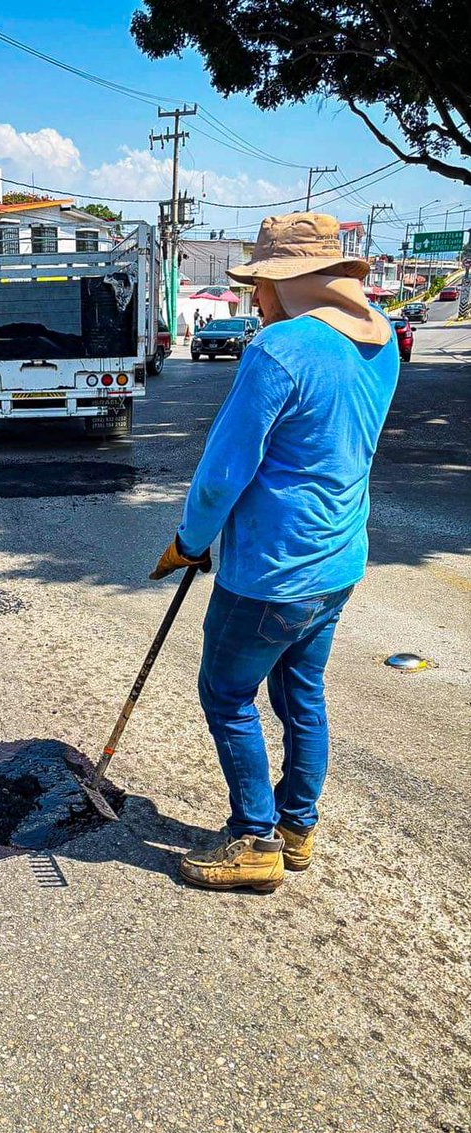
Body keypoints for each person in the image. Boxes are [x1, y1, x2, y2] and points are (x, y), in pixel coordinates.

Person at [150, 212, 398, 892]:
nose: (254, 296)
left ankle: (254, 838)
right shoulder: (381, 339)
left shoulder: (281, 348)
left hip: (273, 570)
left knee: (226, 693)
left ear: (291, 284)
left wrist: (188, 544)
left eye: (261, 283)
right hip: (339, 559)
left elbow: (224, 472)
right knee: (302, 692)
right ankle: (297, 828)